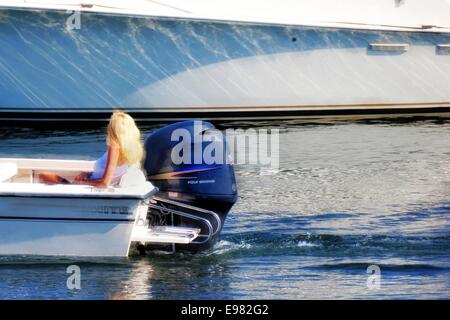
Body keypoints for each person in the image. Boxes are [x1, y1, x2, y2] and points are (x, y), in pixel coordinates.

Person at [39, 112, 144, 188]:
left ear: (115, 129)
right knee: (46, 175)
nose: (108, 127)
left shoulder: (114, 147)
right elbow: (111, 174)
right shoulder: (129, 150)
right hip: (92, 186)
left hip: (90, 189)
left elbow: (104, 183)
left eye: (110, 124)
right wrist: (87, 174)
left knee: (44, 175)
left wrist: (83, 181)